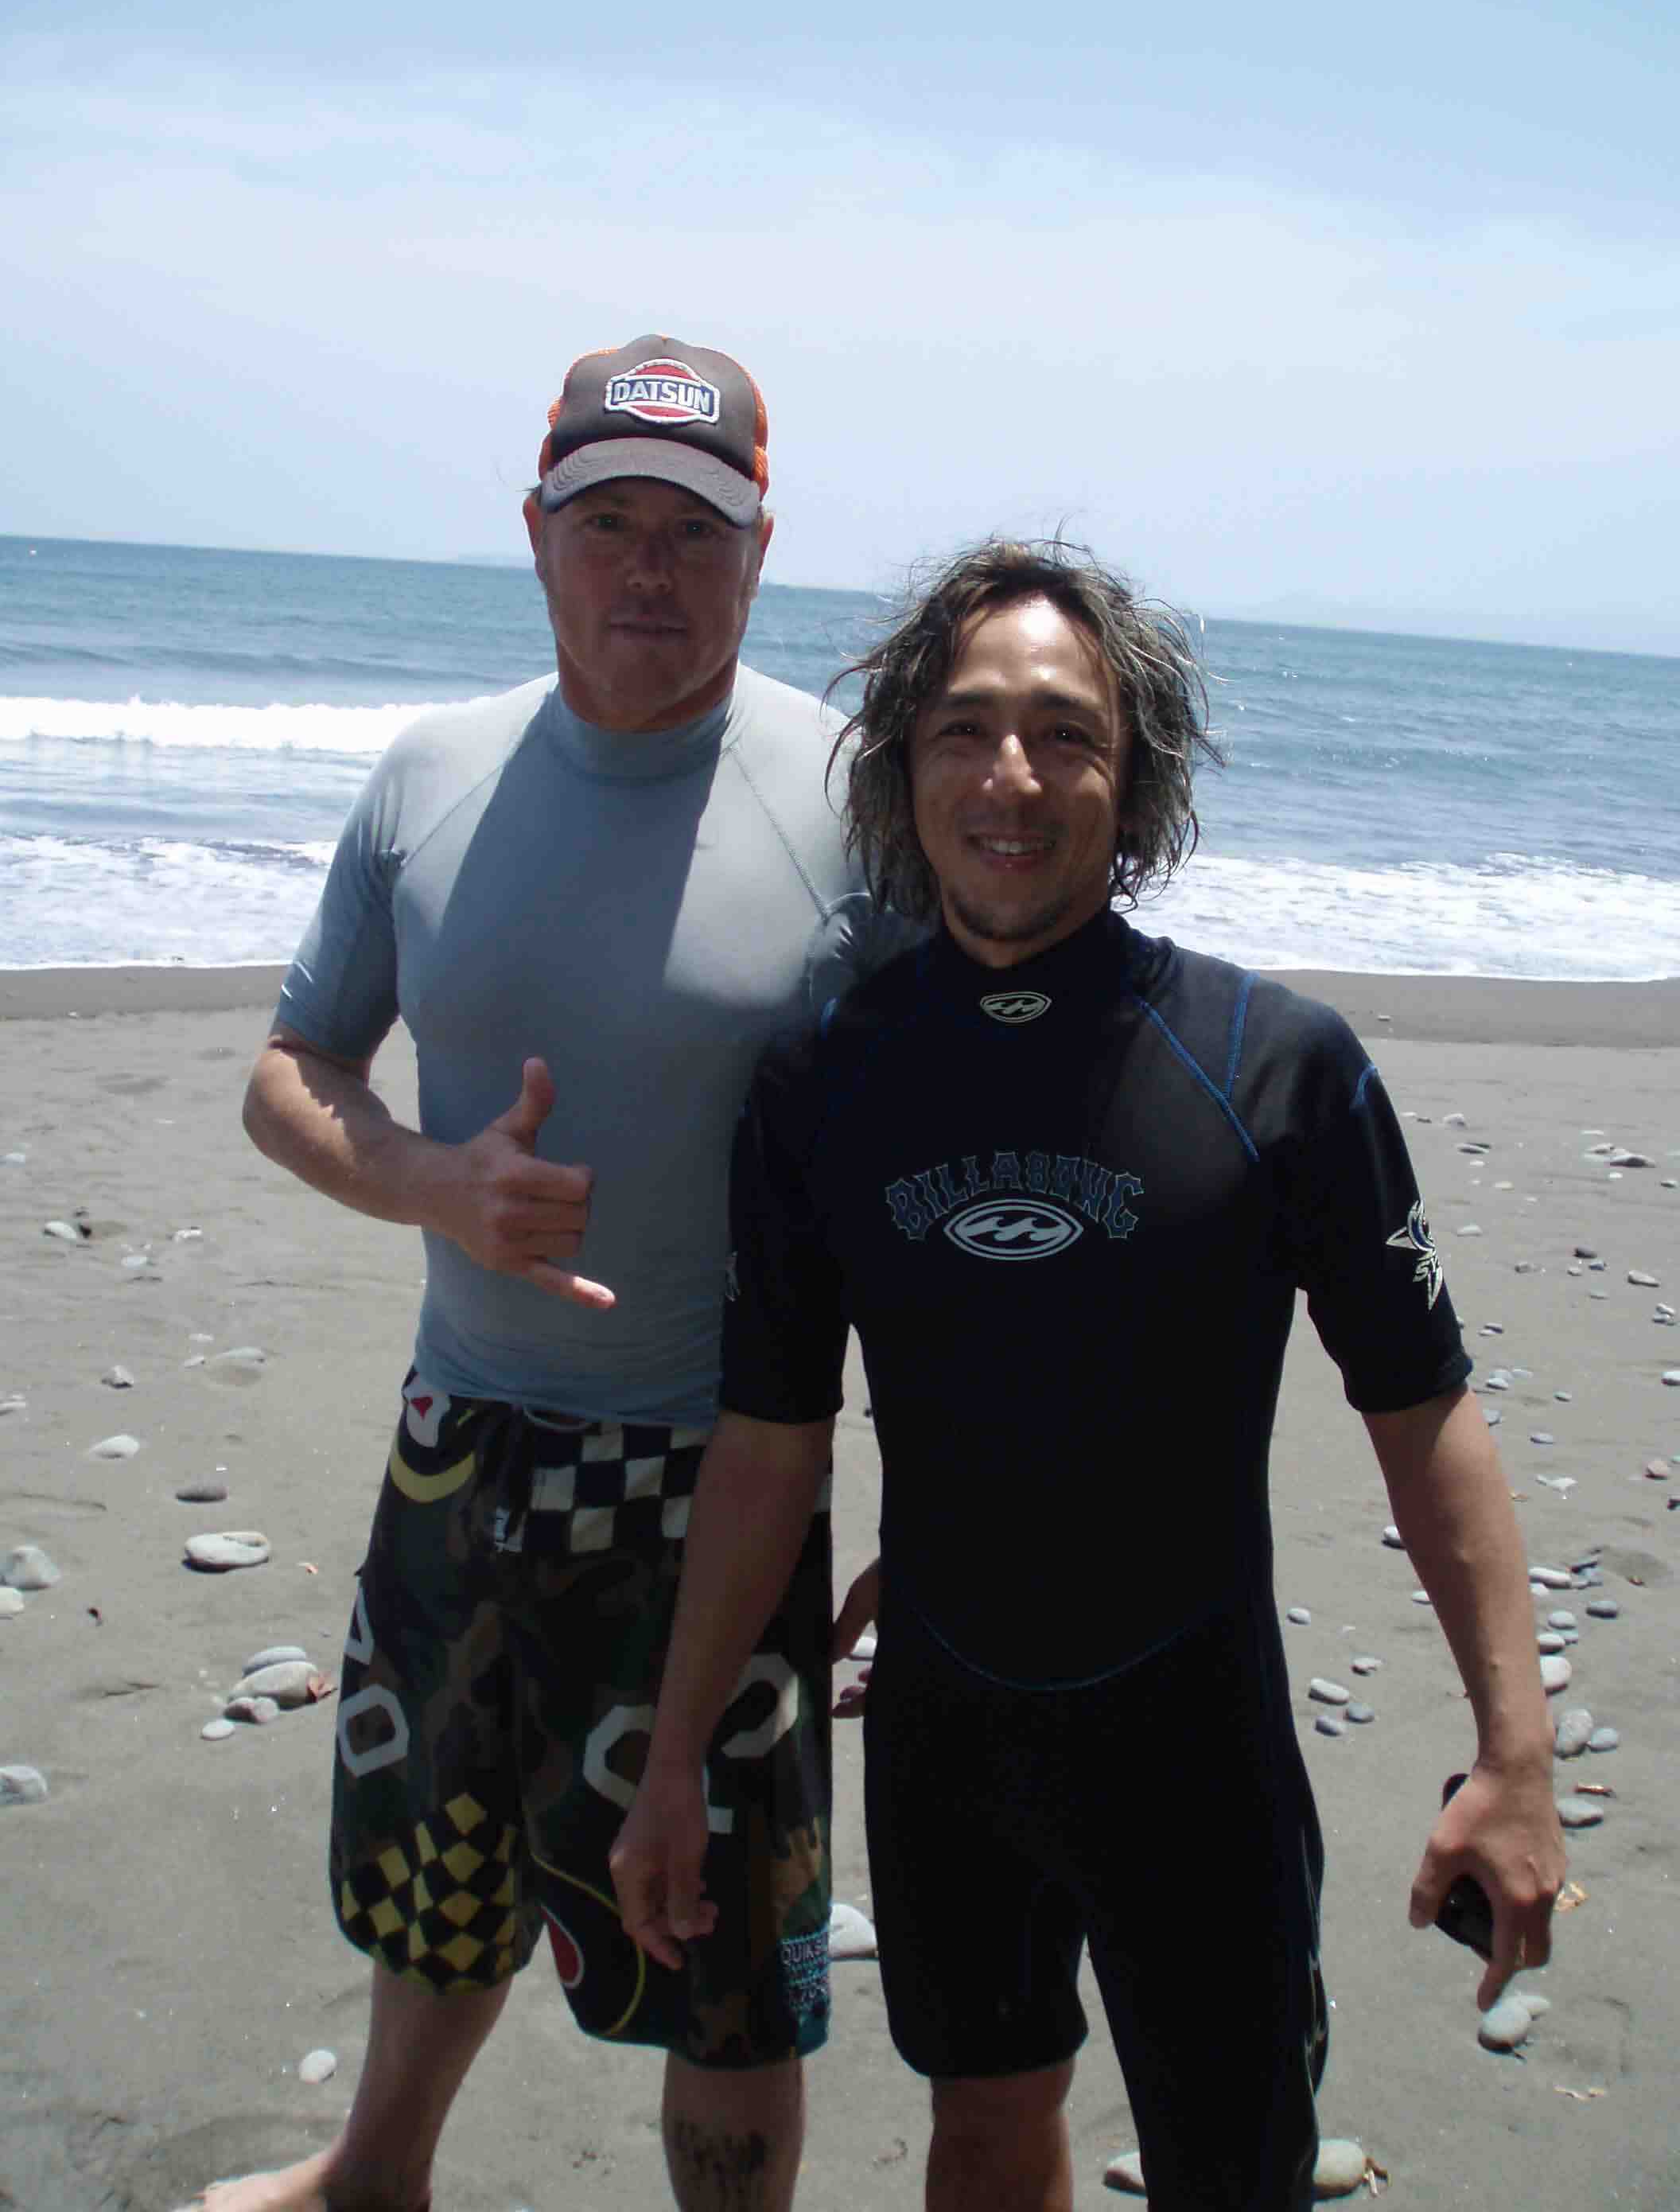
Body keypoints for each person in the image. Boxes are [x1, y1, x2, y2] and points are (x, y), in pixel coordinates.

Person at [610, 539, 1567, 2212]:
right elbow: (770, 1440)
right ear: (904, 768)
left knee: (1237, 2171)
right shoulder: (825, 1080)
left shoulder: (1277, 1069)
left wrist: (1517, 1753)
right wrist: (677, 1754)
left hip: (1197, 1749)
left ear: (1137, 784)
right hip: (948, 1744)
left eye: (1067, 734)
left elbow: (1423, 1415)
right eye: (967, 728)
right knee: (983, 2128)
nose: (1012, 774)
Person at [196, 337, 886, 2212]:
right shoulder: (432, 776)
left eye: (696, 530)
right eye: (609, 524)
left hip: (720, 1470)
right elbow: (290, 1071)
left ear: (760, 553)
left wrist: (949, 1466)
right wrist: (437, 1184)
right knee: (441, 1863)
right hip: (462, 1439)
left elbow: (932, 1153)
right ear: (536, 533)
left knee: (724, 1955)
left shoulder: (855, 800)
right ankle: (374, 2175)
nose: (650, 568)